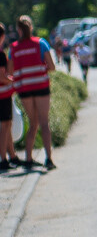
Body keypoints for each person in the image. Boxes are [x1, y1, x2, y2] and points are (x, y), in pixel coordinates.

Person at [11, 15, 57, 170]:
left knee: (33, 123)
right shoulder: (40, 43)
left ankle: (29, 159)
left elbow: (10, 71)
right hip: (41, 87)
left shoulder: (14, 48)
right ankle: (48, 159)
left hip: (25, 90)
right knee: (44, 123)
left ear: (18, 30)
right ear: (31, 27)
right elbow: (52, 66)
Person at [0, 22, 17, 171]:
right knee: (5, 126)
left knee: (7, 126)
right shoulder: (0, 55)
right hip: (3, 94)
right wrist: (14, 80)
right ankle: (3, 159)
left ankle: (13, 156)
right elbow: (1, 77)